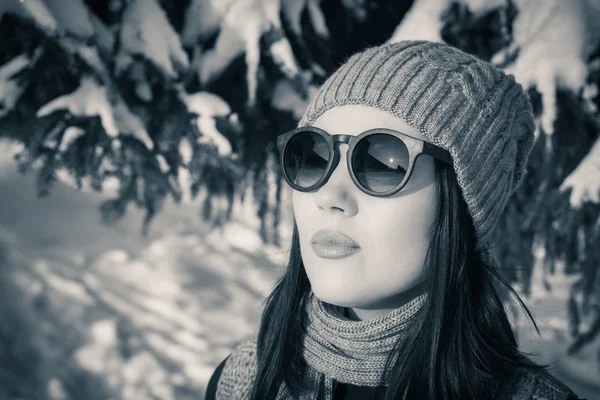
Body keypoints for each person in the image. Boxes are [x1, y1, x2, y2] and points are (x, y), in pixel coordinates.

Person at [205, 40, 580, 400]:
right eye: (314, 155)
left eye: (381, 163)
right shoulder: (241, 383)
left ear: (461, 205)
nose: (329, 196)